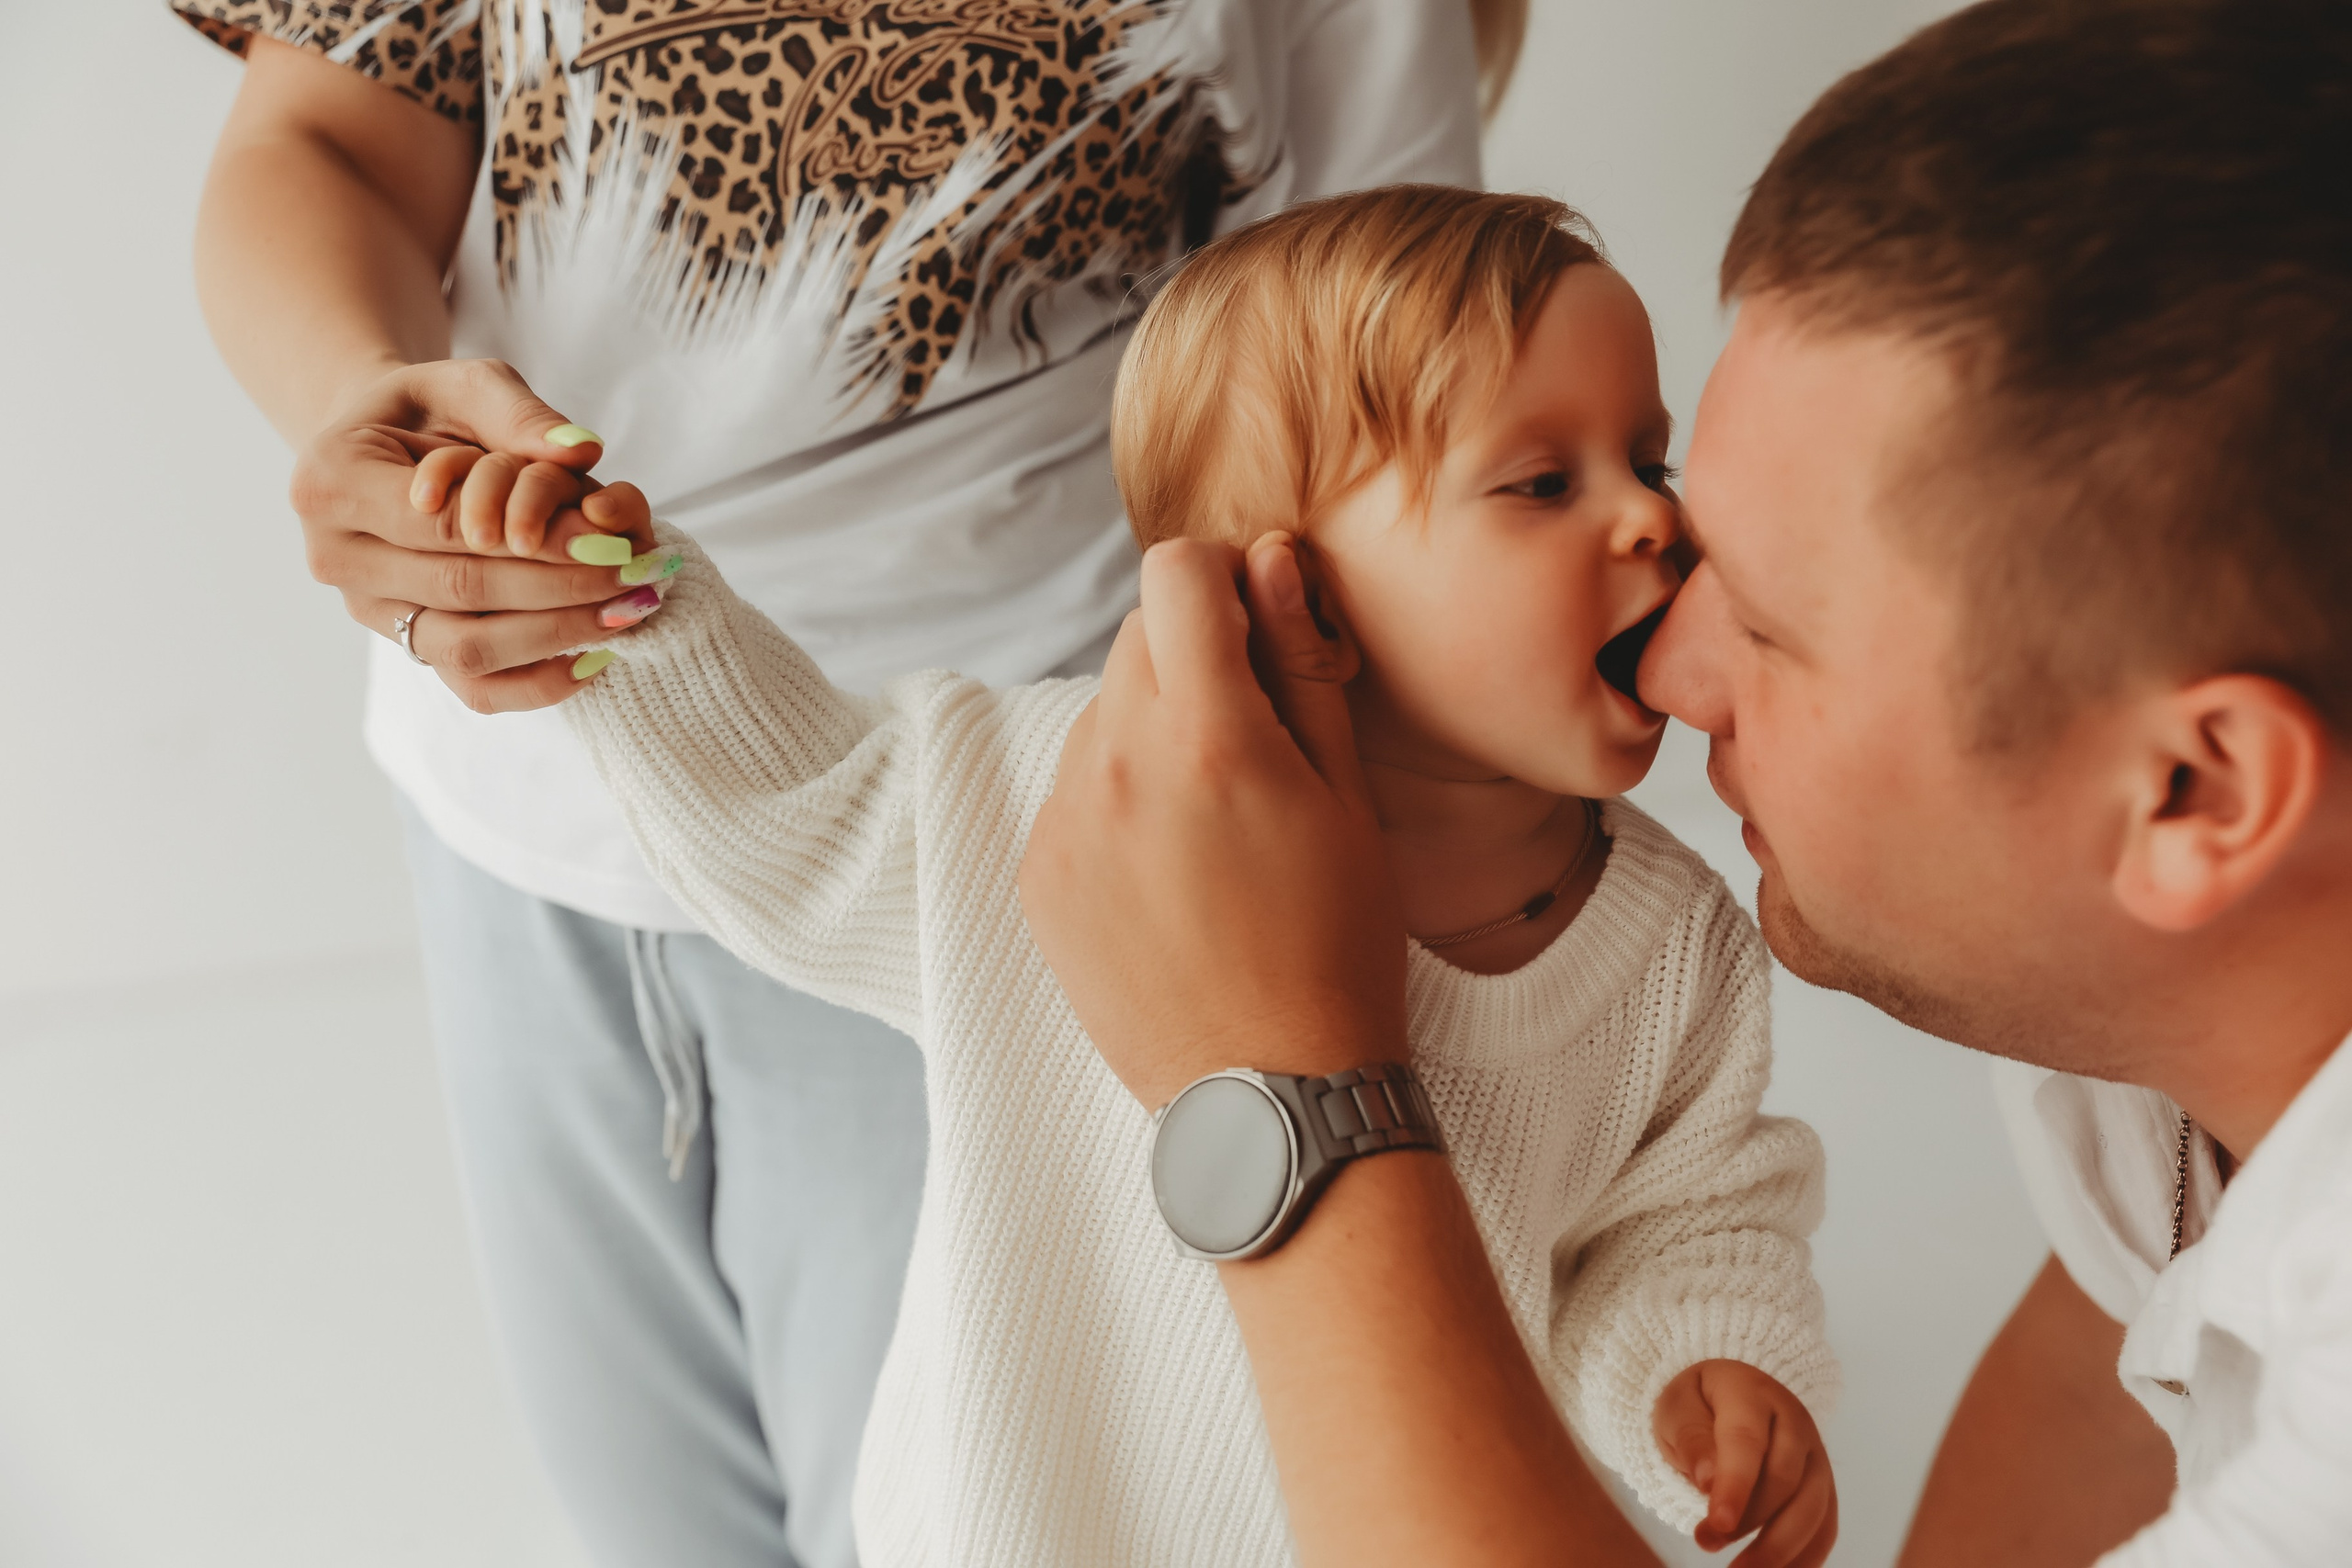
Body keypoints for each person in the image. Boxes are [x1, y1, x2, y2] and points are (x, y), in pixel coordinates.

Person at [1017, 1, 2352, 1565]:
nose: (1667, 664)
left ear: (2195, 793)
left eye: (1772, 628)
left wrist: (1278, 1085)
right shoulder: (2173, 1075)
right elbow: (2110, 1376)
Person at [173, 3, 1501, 1564]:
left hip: (1006, 841)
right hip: (510, 800)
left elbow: (1384, 349)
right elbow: (328, 134)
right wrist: (361, 399)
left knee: (945, 1521)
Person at [534, 185, 1838, 1565]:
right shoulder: (1072, 795)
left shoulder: (1674, 946)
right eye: (1542, 483)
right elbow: (798, 807)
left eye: (1652, 459)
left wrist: (1702, 1369)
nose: (1651, 520)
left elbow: (1678, 1218)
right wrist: (634, 603)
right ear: (1295, 583)